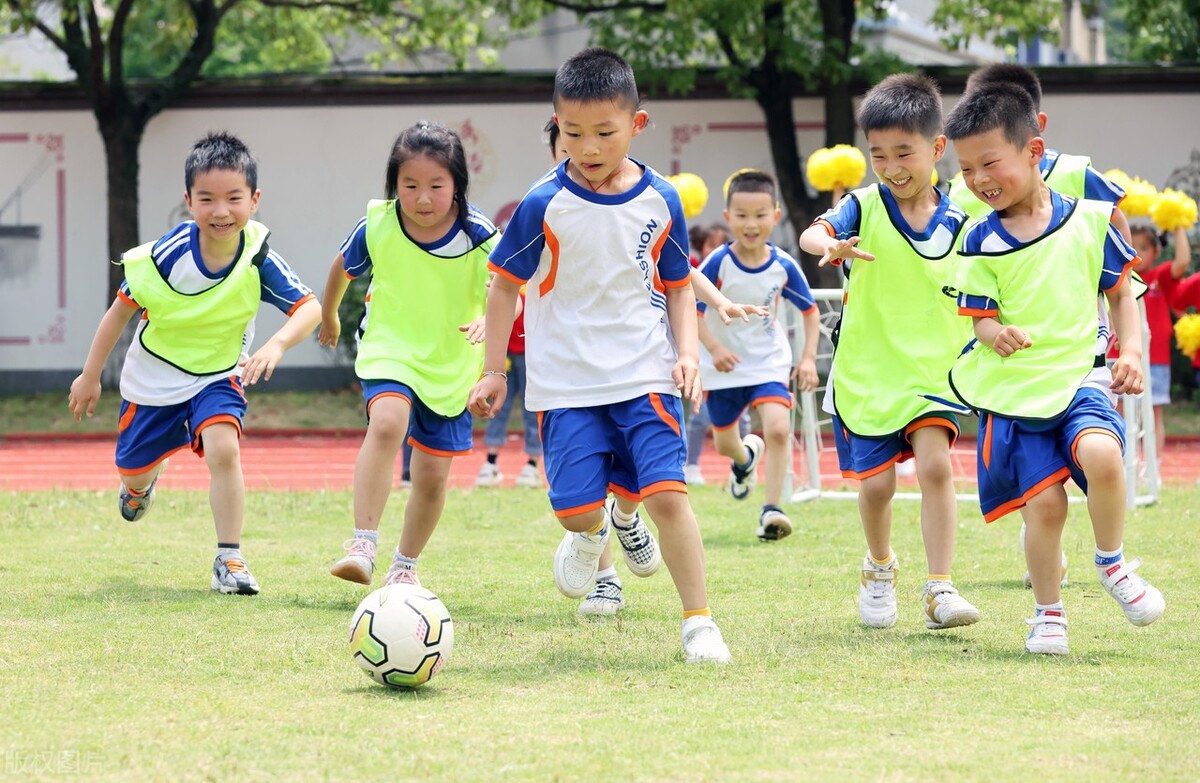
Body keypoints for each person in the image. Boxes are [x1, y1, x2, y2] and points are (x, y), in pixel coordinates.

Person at [468, 47, 731, 663]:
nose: (587, 148)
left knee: (669, 493)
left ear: (637, 125)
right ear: (556, 124)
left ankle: (699, 622)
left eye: (603, 133)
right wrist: (495, 370)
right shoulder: (542, 202)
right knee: (576, 510)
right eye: (572, 132)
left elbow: (677, 283)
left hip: (646, 371)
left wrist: (687, 354)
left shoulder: (662, 198)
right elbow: (504, 284)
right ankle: (596, 534)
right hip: (567, 386)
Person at [945, 83, 1166, 655]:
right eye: (966, 169)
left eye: (990, 162)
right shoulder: (978, 238)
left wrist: (1132, 354)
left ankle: (1113, 565)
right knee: (1044, 506)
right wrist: (998, 336)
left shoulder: (1091, 222)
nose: (978, 180)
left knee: (1103, 454)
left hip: (1080, 377)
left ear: (1034, 151)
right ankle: (1048, 615)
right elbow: (980, 320)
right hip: (1015, 391)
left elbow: (1122, 293)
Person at [68, 131, 321, 595]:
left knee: (225, 449)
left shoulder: (258, 255)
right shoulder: (167, 256)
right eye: (207, 199)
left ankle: (230, 559)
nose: (221, 211)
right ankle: (141, 487)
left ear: (254, 200)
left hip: (219, 373)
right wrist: (89, 375)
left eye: (233, 198)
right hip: (154, 380)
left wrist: (276, 345)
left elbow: (310, 308)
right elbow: (118, 313)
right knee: (133, 471)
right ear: (188, 201)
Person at [799, 73, 980, 631]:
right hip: (868, 369)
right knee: (875, 487)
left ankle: (941, 586)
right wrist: (829, 244)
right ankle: (879, 567)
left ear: (937, 148)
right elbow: (812, 234)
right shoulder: (863, 205)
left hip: (933, 371)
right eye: (879, 155)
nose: (893, 166)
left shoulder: (965, 218)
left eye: (905, 152)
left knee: (935, 467)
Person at [321, 121, 497, 588]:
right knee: (387, 422)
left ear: (458, 184)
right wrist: (330, 314)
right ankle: (362, 544)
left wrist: (489, 321)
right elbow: (343, 265)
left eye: (436, 186)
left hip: (451, 361)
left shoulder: (479, 234)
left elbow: (507, 289)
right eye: (410, 185)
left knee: (432, 476)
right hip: (390, 345)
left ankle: (405, 567)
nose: (422, 199)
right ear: (394, 185)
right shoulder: (379, 223)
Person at [697, 169, 821, 541]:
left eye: (760, 215)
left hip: (768, 362)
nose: (751, 224)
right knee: (724, 445)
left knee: (779, 429)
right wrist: (715, 348)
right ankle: (745, 460)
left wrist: (809, 358)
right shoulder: (718, 263)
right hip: (723, 367)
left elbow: (810, 313)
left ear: (775, 216)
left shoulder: (784, 266)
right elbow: (694, 309)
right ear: (728, 217)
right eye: (742, 215)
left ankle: (772, 509)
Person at [1111, 225, 1191, 460]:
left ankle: (1154, 466)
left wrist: (1178, 225)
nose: (1137, 251)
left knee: (1154, 413)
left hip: (1155, 359)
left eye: (1144, 247)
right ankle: (1126, 463)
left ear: (1156, 252)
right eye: (1132, 245)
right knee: (1120, 410)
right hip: (1120, 357)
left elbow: (1183, 262)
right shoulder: (1117, 280)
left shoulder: (1160, 277)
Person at [683, 222, 733, 486]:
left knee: (740, 415)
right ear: (701, 247)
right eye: (710, 244)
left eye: (720, 244)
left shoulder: (728, 271)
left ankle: (741, 464)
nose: (715, 250)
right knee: (699, 413)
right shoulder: (695, 269)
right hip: (701, 352)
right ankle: (690, 465)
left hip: (727, 352)